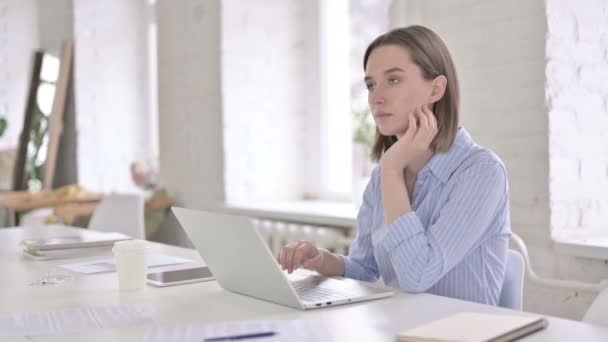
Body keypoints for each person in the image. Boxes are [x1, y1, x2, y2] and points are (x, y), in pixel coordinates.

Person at [278, 25, 511, 305]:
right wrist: (323, 260)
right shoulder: (383, 177)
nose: (376, 97)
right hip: (402, 327)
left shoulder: (481, 172)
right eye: (371, 84)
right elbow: (365, 268)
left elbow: (417, 276)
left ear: (436, 89)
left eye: (394, 80)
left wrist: (391, 170)